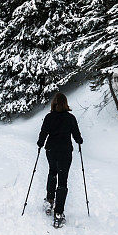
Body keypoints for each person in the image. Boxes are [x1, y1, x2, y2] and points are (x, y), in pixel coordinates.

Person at [36, 92, 83, 227]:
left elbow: (43, 132)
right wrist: (79, 141)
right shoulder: (70, 118)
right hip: (65, 152)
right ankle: (58, 213)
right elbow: (76, 135)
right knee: (63, 180)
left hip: (51, 150)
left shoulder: (49, 117)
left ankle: (50, 200)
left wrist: (40, 143)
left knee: (52, 172)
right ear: (65, 103)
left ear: (54, 103)